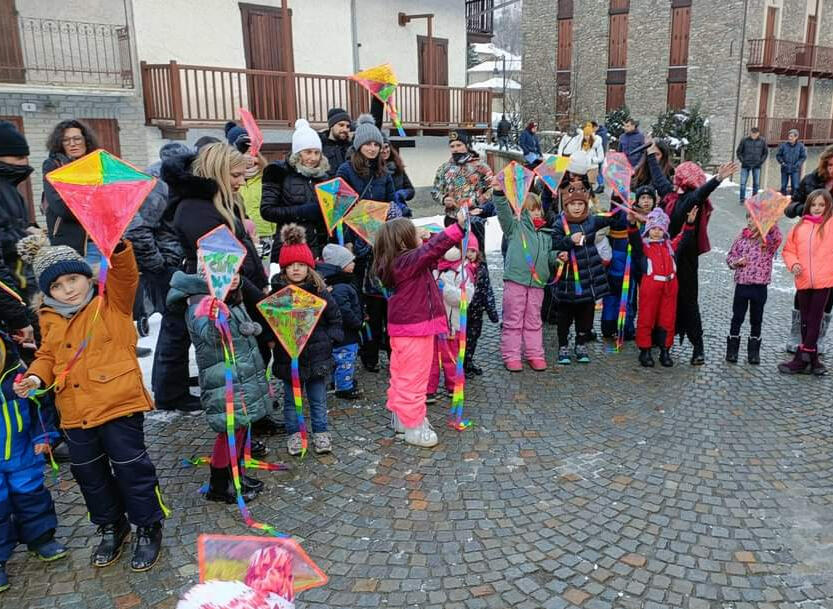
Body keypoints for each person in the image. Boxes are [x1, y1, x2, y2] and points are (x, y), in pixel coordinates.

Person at [14, 236, 166, 572]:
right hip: (74, 411)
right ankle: (111, 525)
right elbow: (48, 354)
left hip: (118, 404)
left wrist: (116, 244)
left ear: (86, 276)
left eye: (72, 279)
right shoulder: (48, 315)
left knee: (132, 470)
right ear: (47, 291)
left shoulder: (111, 300)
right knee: (90, 476)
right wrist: (36, 377)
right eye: (56, 285)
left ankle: (148, 525)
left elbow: (125, 274)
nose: (67, 289)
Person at [159, 143, 268, 419]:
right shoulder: (196, 210)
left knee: (249, 360)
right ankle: (239, 426)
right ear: (217, 172)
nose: (241, 182)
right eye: (235, 175)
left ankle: (253, 417)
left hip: (240, 291)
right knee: (233, 366)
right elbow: (222, 268)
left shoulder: (215, 201)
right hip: (222, 298)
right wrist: (259, 299)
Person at [167, 269, 268, 503]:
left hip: (241, 377)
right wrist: (215, 316)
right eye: (227, 273)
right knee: (229, 431)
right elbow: (210, 336)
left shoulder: (232, 297)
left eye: (236, 272)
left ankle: (236, 475)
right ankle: (220, 484)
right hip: (223, 381)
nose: (234, 278)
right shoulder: (199, 304)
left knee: (241, 427)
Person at [372, 213, 466, 448]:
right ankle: (414, 425)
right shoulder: (406, 262)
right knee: (415, 378)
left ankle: (402, 419)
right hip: (415, 330)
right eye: (414, 233)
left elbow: (429, 254)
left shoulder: (400, 262)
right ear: (402, 242)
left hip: (407, 330)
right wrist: (457, 228)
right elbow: (431, 251)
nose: (420, 236)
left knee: (402, 375)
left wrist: (427, 237)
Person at [649, 155, 739, 364]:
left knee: (688, 303)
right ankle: (662, 340)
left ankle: (698, 347)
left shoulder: (690, 199)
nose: (673, 178)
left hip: (686, 260)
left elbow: (701, 193)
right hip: (667, 256)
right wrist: (651, 156)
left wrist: (717, 179)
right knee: (664, 300)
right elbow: (659, 179)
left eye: (678, 175)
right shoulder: (670, 196)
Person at [0, 329, 66, 594]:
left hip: (23, 454)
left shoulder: (18, 378)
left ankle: (40, 538)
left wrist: (43, 435)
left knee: (31, 497)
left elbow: (40, 406)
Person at [270, 225, 342, 456]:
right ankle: (295, 434)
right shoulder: (277, 294)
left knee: (318, 400)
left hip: (317, 356)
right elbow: (270, 323)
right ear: (284, 268)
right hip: (289, 358)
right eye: (291, 265)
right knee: (292, 402)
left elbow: (335, 317)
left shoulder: (319, 291)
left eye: (300, 264)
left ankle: (321, 433)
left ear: (309, 267)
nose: (296, 269)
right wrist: (272, 340)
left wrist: (330, 338)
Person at [336, 115, 397, 373]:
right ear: (358, 145)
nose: (372, 148)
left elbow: (392, 201)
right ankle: (369, 353)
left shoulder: (384, 172)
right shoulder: (345, 170)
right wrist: (348, 242)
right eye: (368, 144)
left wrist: (395, 211)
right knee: (365, 303)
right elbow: (339, 209)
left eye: (376, 144)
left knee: (386, 299)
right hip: (358, 245)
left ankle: (392, 352)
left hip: (382, 243)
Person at [551, 179, 627, 364]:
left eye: (580, 204)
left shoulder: (591, 221)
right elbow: (554, 243)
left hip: (589, 280)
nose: (577, 208)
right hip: (568, 282)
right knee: (564, 316)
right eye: (573, 204)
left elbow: (612, 218)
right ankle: (563, 345)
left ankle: (581, 343)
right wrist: (569, 241)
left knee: (585, 316)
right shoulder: (559, 224)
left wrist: (620, 197)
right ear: (566, 205)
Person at [125, 142, 190, 354]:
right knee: (174, 328)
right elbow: (138, 229)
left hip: (172, 261)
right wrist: (159, 264)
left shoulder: (174, 182)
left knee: (177, 328)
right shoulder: (157, 185)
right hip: (165, 265)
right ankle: (167, 375)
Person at [494, 183, 555, 372]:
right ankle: (511, 356)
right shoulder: (514, 227)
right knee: (513, 320)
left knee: (534, 320)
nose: (536, 213)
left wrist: (557, 257)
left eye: (538, 209)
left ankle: (535, 354)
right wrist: (498, 193)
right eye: (531, 210)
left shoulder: (546, 234)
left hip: (537, 284)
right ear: (522, 211)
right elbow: (503, 211)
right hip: (516, 281)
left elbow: (548, 256)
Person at [628, 207, 695, 368]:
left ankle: (665, 349)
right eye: (653, 229)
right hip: (651, 285)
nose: (656, 232)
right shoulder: (644, 247)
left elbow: (684, 238)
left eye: (660, 229)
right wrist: (632, 224)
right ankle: (645, 350)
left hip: (670, 286)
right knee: (647, 316)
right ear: (648, 230)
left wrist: (689, 223)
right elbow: (634, 239)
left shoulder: (670, 246)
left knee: (668, 318)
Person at [783, 145, 833, 354]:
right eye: (830, 165)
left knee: (828, 294)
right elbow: (789, 206)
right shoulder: (811, 180)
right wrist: (804, 210)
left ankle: (818, 337)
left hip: (829, 247)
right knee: (803, 289)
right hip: (809, 244)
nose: (832, 169)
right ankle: (798, 333)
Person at [778, 189, 833, 376]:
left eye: (822, 205)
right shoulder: (799, 227)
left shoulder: (831, 225)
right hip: (803, 279)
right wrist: (793, 264)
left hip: (824, 281)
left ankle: (801, 359)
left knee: (815, 318)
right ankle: (813, 359)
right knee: (804, 319)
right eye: (814, 204)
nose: (817, 208)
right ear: (808, 206)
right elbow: (789, 250)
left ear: (828, 206)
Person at [261, 119, 330, 264]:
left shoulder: (324, 178)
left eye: (317, 153)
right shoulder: (278, 172)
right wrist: (302, 212)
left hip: (317, 248)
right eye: (308, 152)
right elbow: (267, 210)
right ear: (298, 153)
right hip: (288, 246)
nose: (313, 158)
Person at [725, 216, 782, 365]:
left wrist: (771, 224)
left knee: (756, 319)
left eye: (755, 218)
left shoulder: (767, 241)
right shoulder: (741, 238)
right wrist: (735, 262)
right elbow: (730, 256)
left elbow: (778, 238)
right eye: (749, 218)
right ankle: (732, 350)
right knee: (737, 317)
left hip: (760, 286)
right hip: (742, 285)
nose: (752, 221)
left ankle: (754, 352)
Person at [42, 120, 100, 264]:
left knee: (103, 277)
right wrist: (93, 205)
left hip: (99, 242)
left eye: (77, 138)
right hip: (69, 244)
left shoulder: (96, 165)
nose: (72, 144)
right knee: (79, 279)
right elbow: (61, 206)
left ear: (86, 140)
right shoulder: (54, 166)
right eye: (66, 140)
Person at [432, 129, 493, 256]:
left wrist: (478, 201)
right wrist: (443, 199)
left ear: (466, 145)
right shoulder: (444, 168)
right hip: (452, 219)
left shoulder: (480, 166)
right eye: (452, 146)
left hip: (474, 218)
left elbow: (492, 188)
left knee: (476, 256)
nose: (455, 149)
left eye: (459, 145)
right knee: (454, 256)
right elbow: (435, 191)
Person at [426, 245, 472, 402]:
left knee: (451, 356)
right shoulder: (435, 269)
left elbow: (464, 298)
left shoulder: (463, 271)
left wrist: (444, 288)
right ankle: (429, 388)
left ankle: (454, 385)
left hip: (452, 323)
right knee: (431, 357)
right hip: (434, 321)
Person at [318, 243, 363, 400]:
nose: (354, 264)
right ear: (341, 266)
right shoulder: (341, 287)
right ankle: (345, 387)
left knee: (338, 359)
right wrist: (358, 322)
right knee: (345, 360)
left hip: (341, 332)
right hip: (346, 333)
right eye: (350, 261)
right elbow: (345, 311)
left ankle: (338, 382)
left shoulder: (337, 283)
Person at [0, 121, 38, 301]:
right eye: (18, 157)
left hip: (21, 284)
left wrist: (29, 230)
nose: (25, 162)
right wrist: (26, 238)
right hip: (10, 290)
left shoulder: (11, 188)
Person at [463, 234, 498, 377]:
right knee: (462, 338)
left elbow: (487, 289)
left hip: (477, 310)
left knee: (474, 336)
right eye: (467, 251)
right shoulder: (460, 268)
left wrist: (491, 310)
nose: (470, 254)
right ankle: (461, 364)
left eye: (473, 251)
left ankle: (469, 360)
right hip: (464, 310)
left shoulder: (482, 267)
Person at [234, 135, 273, 254]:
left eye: (252, 154)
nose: (249, 159)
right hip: (242, 232)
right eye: (245, 154)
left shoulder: (265, 176)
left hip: (265, 232)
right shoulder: (233, 179)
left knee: (265, 263)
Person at [736, 127, 768, 205]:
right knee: (743, 183)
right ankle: (742, 199)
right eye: (752, 134)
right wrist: (743, 161)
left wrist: (761, 162)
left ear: (758, 134)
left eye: (755, 134)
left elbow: (765, 153)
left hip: (757, 165)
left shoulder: (762, 141)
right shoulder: (744, 140)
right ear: (750, 133)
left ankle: (754, 200)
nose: (753, 135)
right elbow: (738, 152)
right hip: (745, 165)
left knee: (756, 184)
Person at [382, 139, 414, 217]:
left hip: (401, 212)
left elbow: (411, 190)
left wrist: (403, 193)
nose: (385, 151)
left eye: (386, 147)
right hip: (382, 213)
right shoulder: (373, 170)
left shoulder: (397, 167)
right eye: (381, 148)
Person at [319, 107, 352, 177]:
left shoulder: (351, 147)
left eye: (348, 126)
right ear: (331, 126)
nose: (345, 129)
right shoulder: (319, 146)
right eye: (341, 125)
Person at [776, 129, 806, 196]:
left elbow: (803, 157)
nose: (790, 138)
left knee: (795, 186)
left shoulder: (800, 146)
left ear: (796, 137)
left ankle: (794, 199)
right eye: (789, 136)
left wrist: (798, 164)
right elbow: (778, 155)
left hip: (795, 169)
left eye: (791, 136)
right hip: (785, 168)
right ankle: (782, 199)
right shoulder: (783, 145)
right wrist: (782, 162)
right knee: (783, 186)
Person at [591, 120, 609, 193]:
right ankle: (600, 185)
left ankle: (601, 185)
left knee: (598, 171)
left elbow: (602, 145)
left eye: (592, 128)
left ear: (595, 127)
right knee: (598, 170)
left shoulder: (601, 134)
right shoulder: (599, 133)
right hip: (597, 154)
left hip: (599, 155)